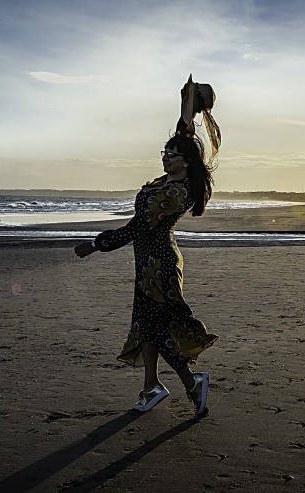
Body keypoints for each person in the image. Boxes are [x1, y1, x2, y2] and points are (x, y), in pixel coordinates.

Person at [74, 75, 220, 416]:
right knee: (145, 323)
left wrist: (96, 244)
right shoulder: (169, 181)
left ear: (186, 162)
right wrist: (187, 103)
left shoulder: (176, 193)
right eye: (164, 153)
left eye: (172, 155)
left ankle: (189, 382)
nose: (166, 157)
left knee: (155, 325)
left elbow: (137, 227)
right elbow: (183, 132)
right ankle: (151, 386)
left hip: (161, 265)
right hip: (148, 263)